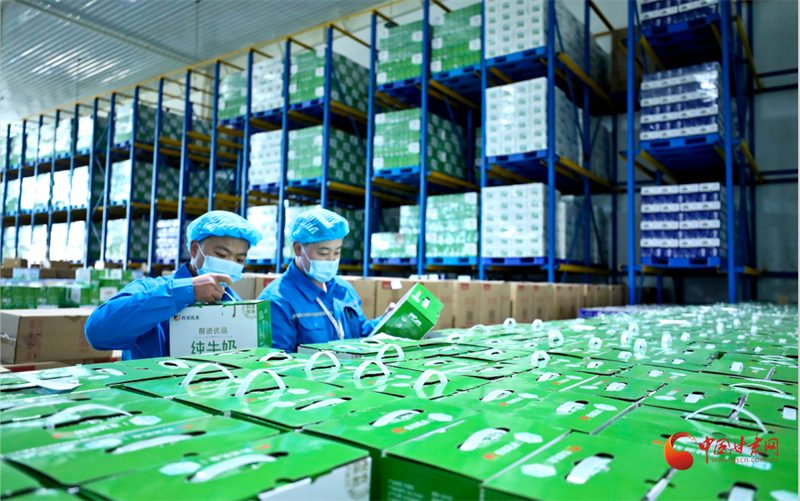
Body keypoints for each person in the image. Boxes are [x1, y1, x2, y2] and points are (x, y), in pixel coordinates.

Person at [85, 211, 262, 360]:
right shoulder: (150, 289)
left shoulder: (235, 305)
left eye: (240, 259)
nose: (230, 264)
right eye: (222, 255)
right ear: (194, 249)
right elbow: (97, 333)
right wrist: (184, 292)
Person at [259, 208, 394, 353]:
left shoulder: (343, 289)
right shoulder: (277, 301)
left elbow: (360, 334)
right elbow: (278, 360)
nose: (331, 260)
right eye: (323, 253)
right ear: (298, 248)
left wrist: (386, 320)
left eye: (337, 252)